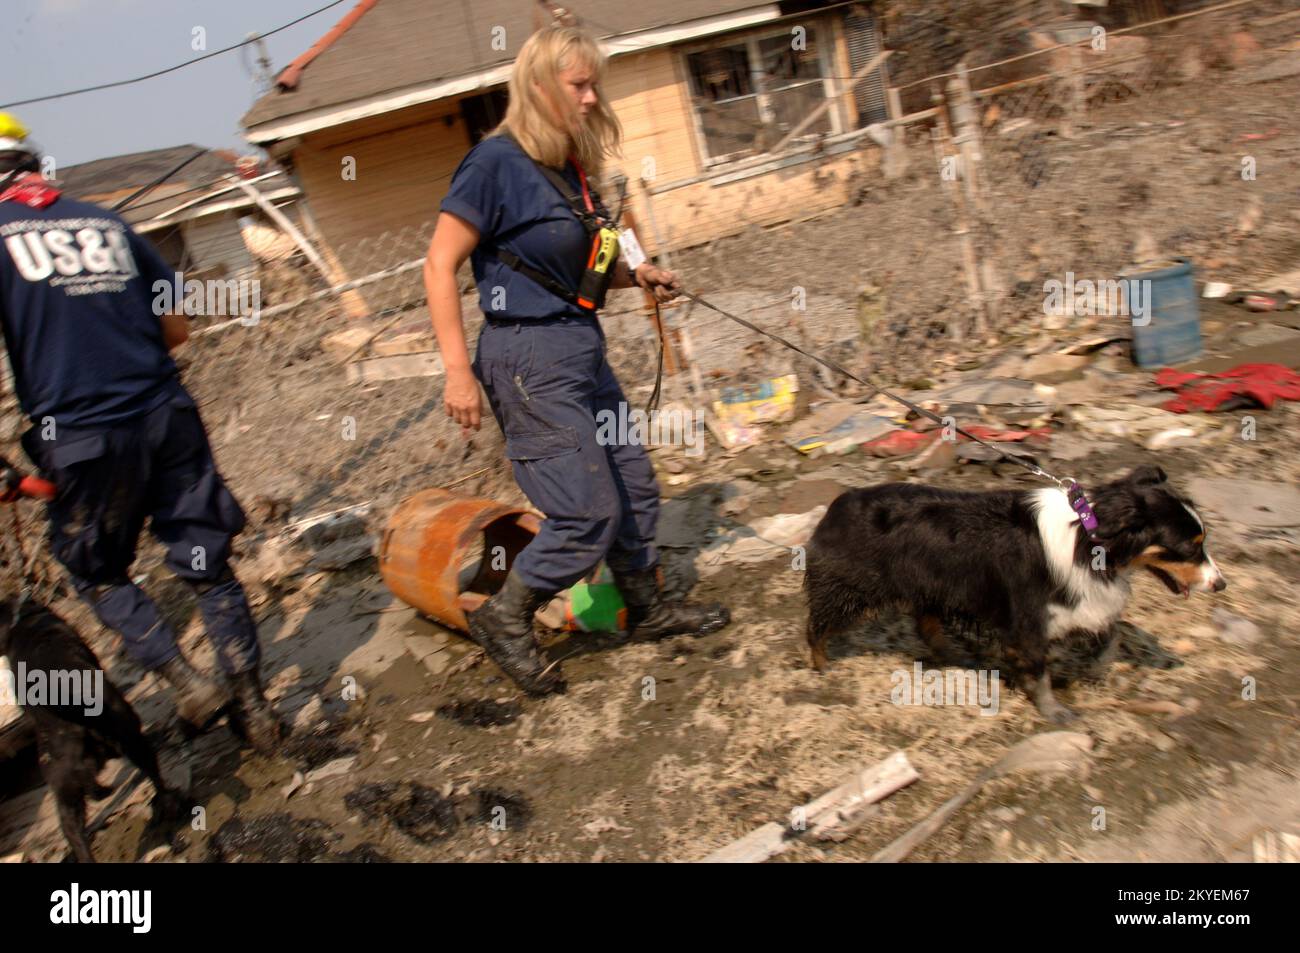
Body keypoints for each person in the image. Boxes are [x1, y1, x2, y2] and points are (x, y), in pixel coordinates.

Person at [424, 26, 732, 697]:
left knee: (632, 485)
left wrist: (638, 274)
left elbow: (577, 267)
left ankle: (648, 610)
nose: (593, 98)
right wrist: (455, 371)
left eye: (595, 84)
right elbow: (439, 265)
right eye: (579, 85)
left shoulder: (568, 169)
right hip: (527, 356)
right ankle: (506, 618)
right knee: (586, 510)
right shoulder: (493, 164)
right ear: (539, 87)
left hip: (578, 344)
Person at [0, 113, 280, 752]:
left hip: (80, 437)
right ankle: (254, 706)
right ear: (31, 162)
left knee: (94, 567)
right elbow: (177, 327)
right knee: (205, 559)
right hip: (165, 415)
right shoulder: (109, 222)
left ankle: (183, 677)